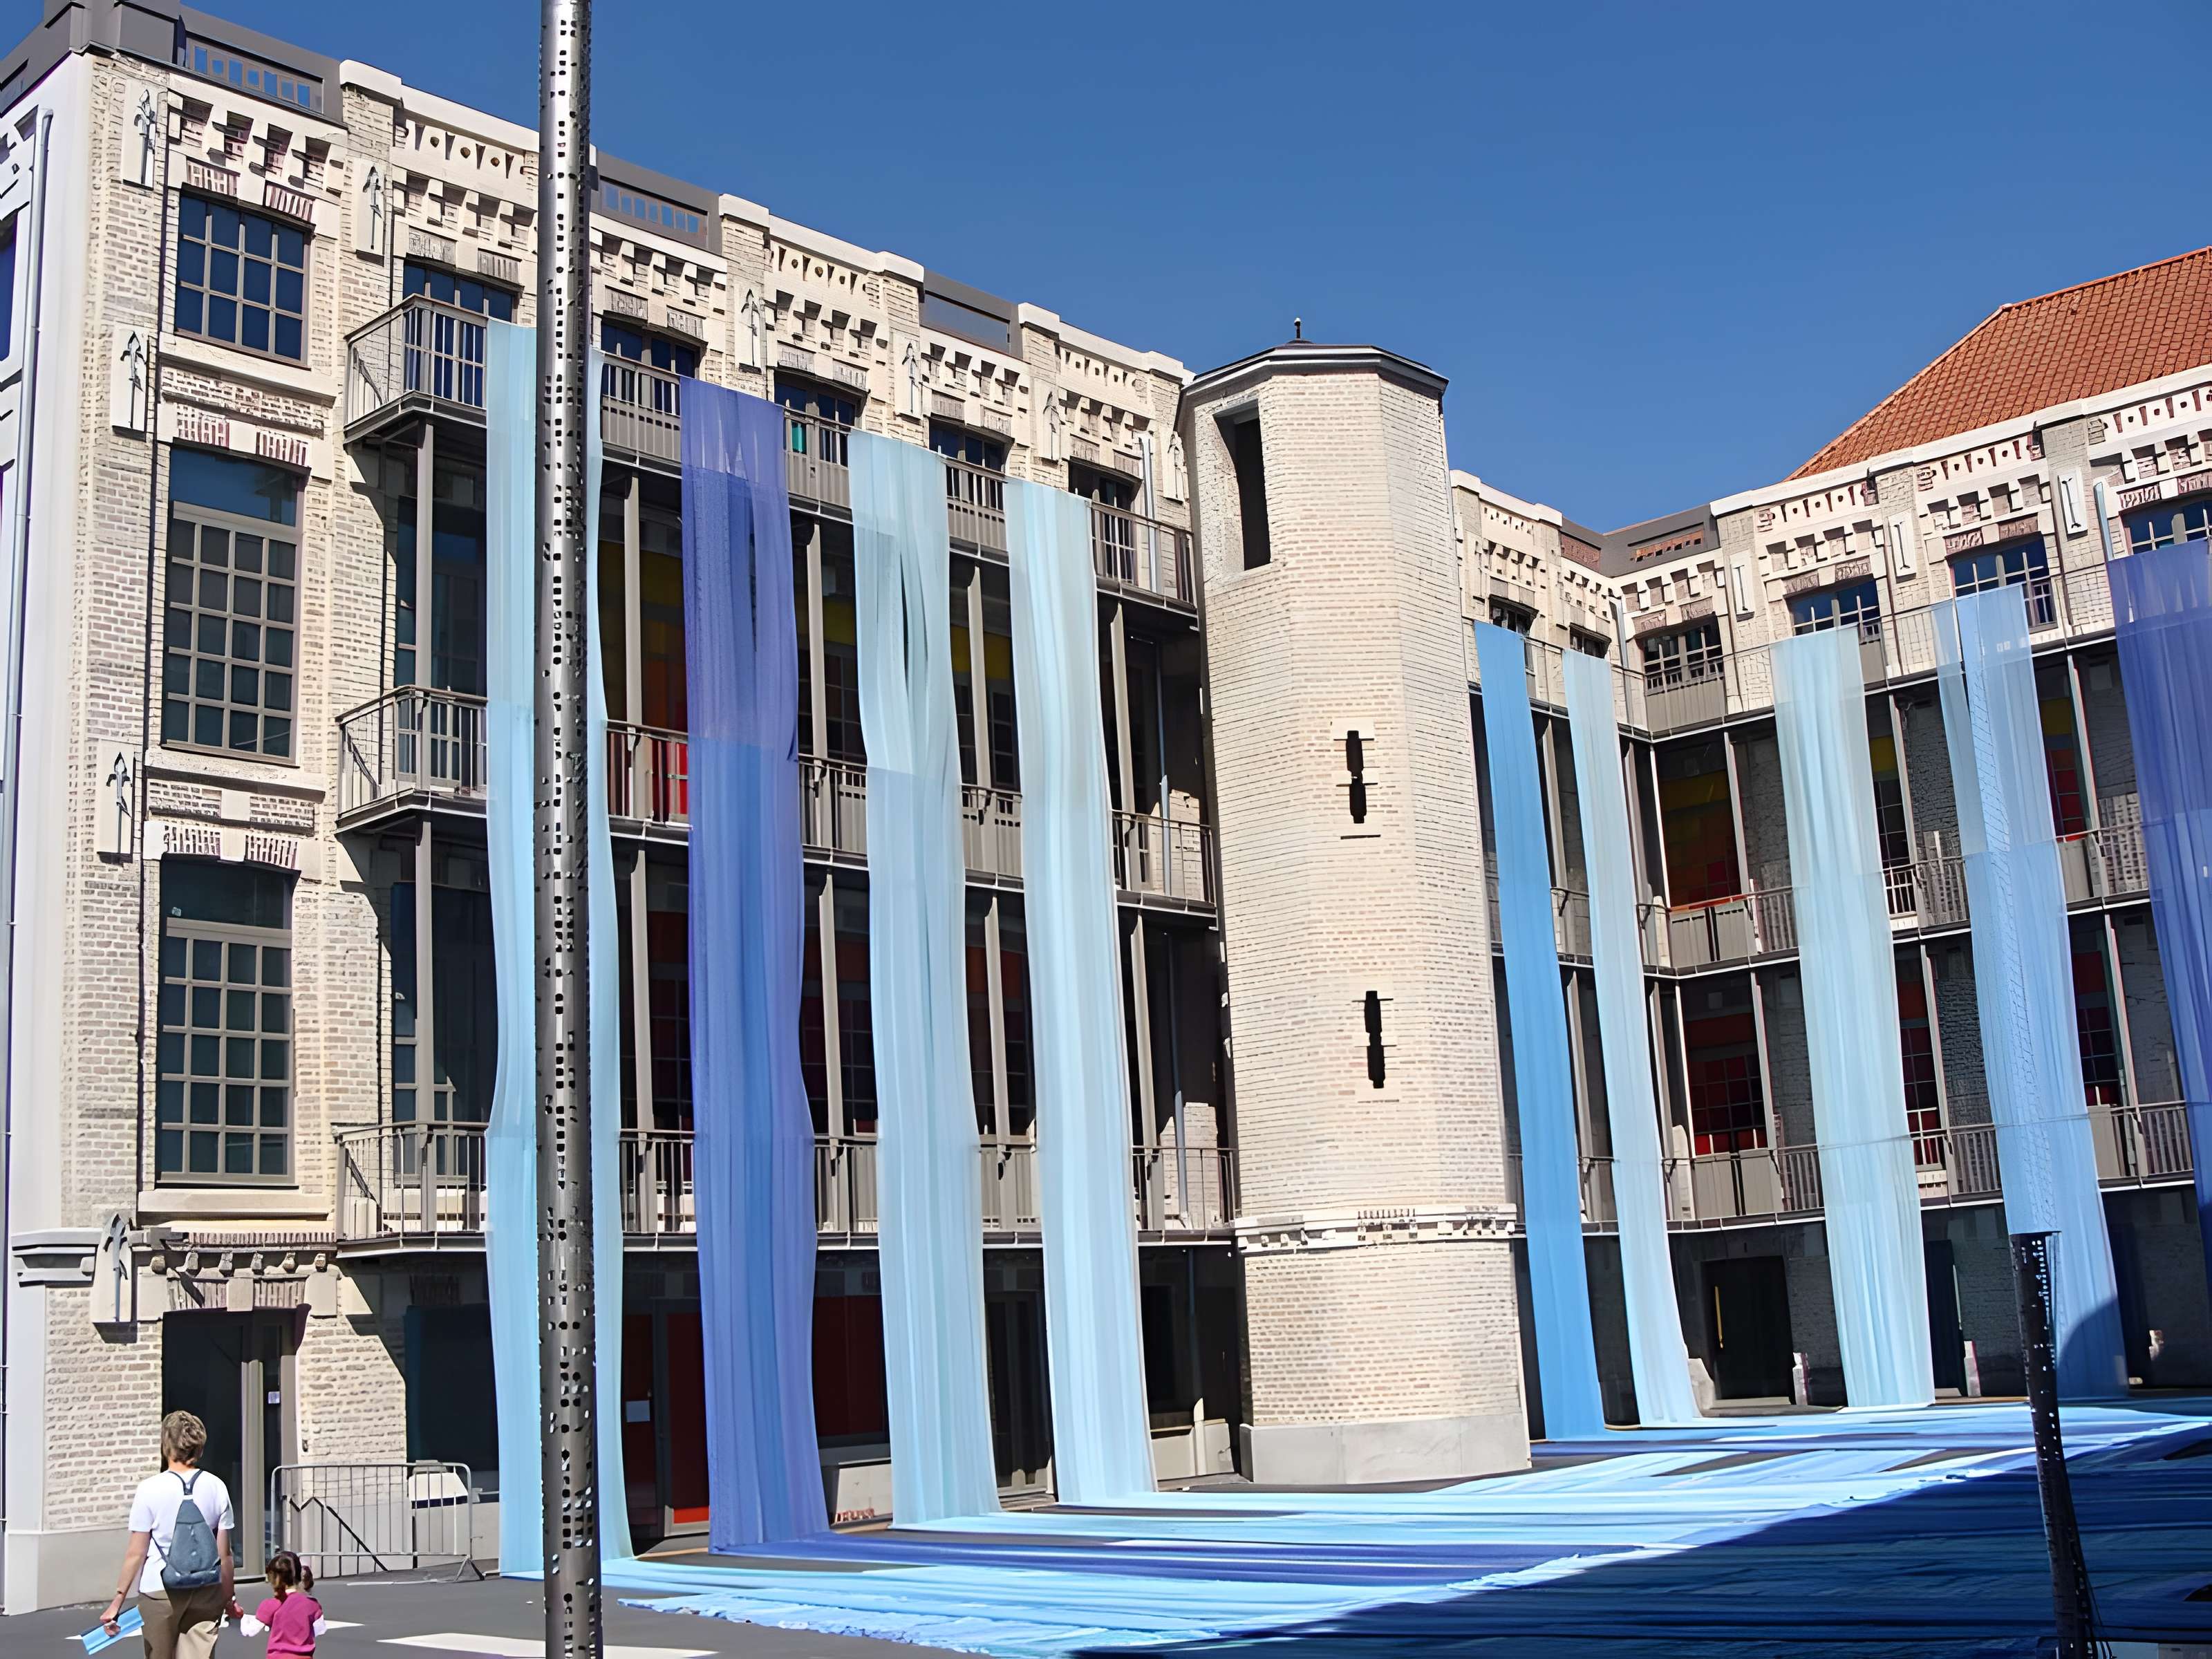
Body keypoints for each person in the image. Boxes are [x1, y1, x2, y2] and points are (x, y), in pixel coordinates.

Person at [98, 1409, 238, 1659]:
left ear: (166, 1446)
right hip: (206, 1589)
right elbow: (224, 1554)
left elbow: (136, 1553)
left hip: (159, 1589)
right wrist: (228, 1598)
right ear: (199, 1448)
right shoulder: (217, 1486)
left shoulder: (149, 1489)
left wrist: (117, 1601)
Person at [239, 1550, 326, 1658]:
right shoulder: (312, 1604)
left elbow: (249, 1631)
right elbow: (320, 1629)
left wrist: (241, 1617)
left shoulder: (271, 1605)